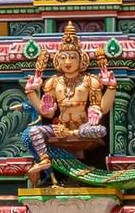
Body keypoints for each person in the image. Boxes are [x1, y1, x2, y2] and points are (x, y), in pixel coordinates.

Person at [21, 22, 116, 185]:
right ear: (58, 60)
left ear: (81, 60)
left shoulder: (90, 81)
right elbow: (48, 113)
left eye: (73, 57)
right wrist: (30, 92)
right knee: (33, 131)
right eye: (64, 57)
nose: (68, 61)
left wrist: (111, 87)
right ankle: (44, 159)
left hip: (82, 129)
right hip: (58, 129)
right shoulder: (53, 83)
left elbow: (102, 108)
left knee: (100, 130)